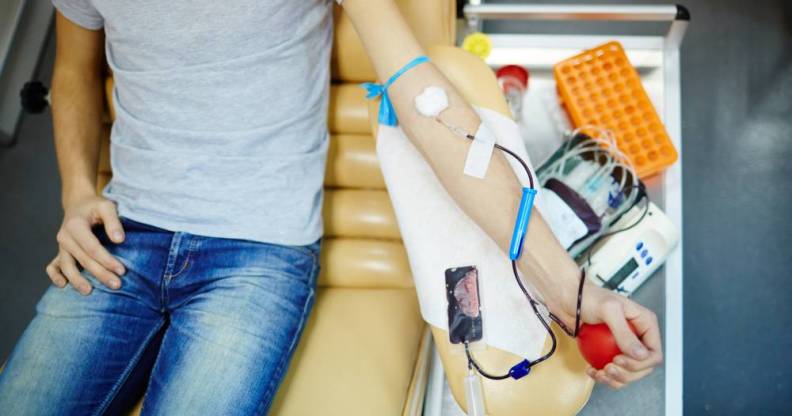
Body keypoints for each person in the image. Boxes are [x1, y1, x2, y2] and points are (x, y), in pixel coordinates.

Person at [0, 0, 663, 414]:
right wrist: (77, 192)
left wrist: (577, 295)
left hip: (255, 254)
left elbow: (424, 100)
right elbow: (73, 72)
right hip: (123, 234)